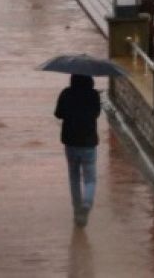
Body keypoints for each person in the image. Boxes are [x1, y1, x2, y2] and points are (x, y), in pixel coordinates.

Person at [54, 74, 101, 227]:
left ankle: (76, 209)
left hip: (71, 142)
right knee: (90, 179)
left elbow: (58, 114)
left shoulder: (66, 93)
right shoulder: (93, 95)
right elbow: (96, 114)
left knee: (74, 178)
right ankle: (86, 205)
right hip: (88, 143)